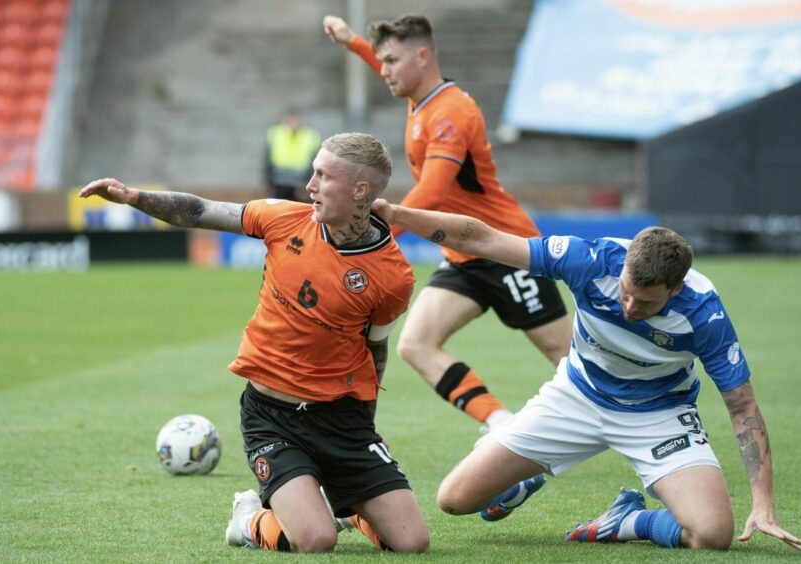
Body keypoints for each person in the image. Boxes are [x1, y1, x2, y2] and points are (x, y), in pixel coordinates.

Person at [370, 198, 801, 552]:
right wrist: (400, 216)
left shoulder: (704, 314)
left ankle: (630, 520)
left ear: (676, 289)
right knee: (454, 500)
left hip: (658, 413)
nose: (629, 308)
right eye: (626, 292)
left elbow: (743, 407)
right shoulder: (590, 260)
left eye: (646, 304)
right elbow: (480, 237)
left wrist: (763, 504)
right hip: (575, 396)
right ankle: (524, 469)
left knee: (712, 537)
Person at [79, 133, 430, 554]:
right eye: (312, 172)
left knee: (411, 544)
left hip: (343, 420)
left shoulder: (393, 276)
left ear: (360, 191)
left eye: (323, 176)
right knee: (317, 541)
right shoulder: (282, 218)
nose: (310, 185)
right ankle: (248, 518)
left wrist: (366, 425)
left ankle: (348, 501)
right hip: (273, 417)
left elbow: (375, 350)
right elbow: (200, 210)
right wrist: (134, 197)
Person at [322, 13, 572, 433]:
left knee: (568, 360)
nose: (383, 71)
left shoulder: (450, 113)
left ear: (422, 57)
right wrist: (351, 41)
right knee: (416, 344)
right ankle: (501, 425)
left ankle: (646, 428)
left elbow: (434, 192)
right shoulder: (420, 98)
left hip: (505, 248)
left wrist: (375, 232)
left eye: (392, 62)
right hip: (463, 253)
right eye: (380, 61)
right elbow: (387, 65)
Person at [264, 107, 321, 203]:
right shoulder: (275, 133)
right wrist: (268, 182)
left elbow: (315, 162)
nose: (293, 123)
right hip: (279, 180)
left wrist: (309, 183)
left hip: (300, 182)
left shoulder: (310, 136)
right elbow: (267, 160)